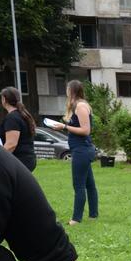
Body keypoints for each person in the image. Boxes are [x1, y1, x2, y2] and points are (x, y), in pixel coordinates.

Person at [51, 80, 98, 225]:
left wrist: (64, 127)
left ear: (71, 90)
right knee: (89, 184)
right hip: (81, 150)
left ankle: (76, 219)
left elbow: (85, 130)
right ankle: (93, 215)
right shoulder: (77, 106)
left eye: (67, 89)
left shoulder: (80, 106)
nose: (66, 91)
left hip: (82, 151)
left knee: (79, 185)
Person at [0, 87, 37, 171]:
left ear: (4, 99)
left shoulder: (12, 118)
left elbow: (11, 144)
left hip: (18, 160)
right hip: (26, 159)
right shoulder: (22, 114)